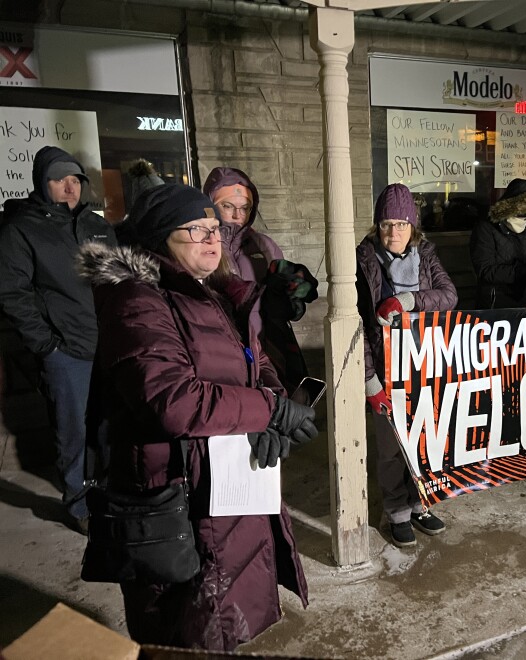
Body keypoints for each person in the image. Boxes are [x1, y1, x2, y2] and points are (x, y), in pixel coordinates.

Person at [76, 183, 318, 651]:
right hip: (177, 496)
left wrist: (268, 409)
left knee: (227, 619)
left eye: (215, 229)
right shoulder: (137, 300)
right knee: (188, 626)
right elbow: (173, 399)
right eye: (196, 229)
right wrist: (269, 410)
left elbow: (254, 360)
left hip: (225, 486)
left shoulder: (213, 292)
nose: (212, 239)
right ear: (160, 238)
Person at [0, 145, 117, 533]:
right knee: (73, 429)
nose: (70, 187)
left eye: (76, 179)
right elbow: (12, 293)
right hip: (66, 351)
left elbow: (118, 280)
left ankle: (108, 491)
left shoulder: (97, 225)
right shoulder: (23, 230)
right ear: (41, 183)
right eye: (59, 179)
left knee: (108, 425)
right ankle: (78, 503)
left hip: (108, 344)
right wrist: (47, 345)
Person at [356, 183, 458, 548]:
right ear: (376, 226)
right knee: (389, 448)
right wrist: (370, 382)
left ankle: (419, 503)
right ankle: (397, 509)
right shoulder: (364, 260)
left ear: (413, 226)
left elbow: (448, 296)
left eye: (401, 223)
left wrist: (407, 299)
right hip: (384, 371)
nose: (393, 232)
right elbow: (358, 326)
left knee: (422, 442)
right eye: (386, 224)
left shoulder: (426, 255)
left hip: (424, 366)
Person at [203, 167, 318, 396]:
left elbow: (286, 307)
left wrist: (289, 296)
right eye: (228, 206)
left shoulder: (263, 246)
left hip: (268, 351)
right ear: (210, 205)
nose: (238, 215)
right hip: (221, 355)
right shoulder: (202, 247)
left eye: (245, 208)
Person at [470, 178, 526, 308]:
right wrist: (520, 272)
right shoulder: (486, 228)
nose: (522, 220)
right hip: (496, 298)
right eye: (518, 216)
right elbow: (485, 269)